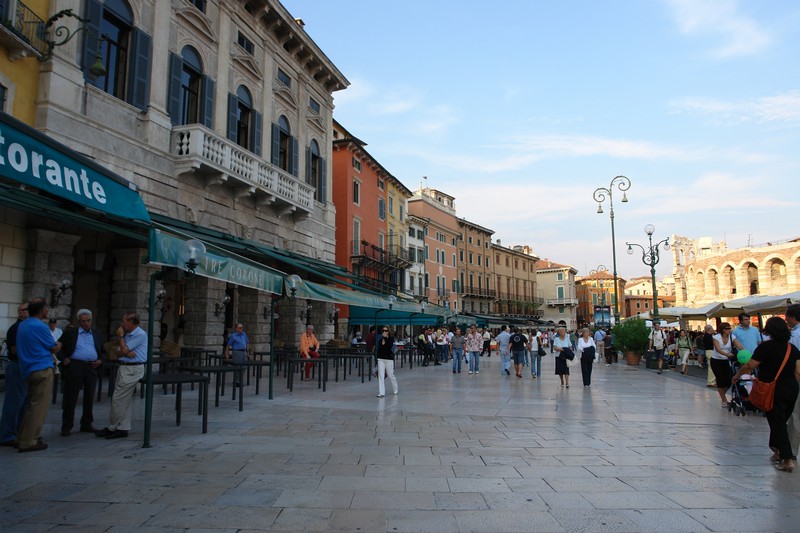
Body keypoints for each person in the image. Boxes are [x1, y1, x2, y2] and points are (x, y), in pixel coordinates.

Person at [733, 317, 800, 473]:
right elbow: (798, 371)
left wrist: (737, 375)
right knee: (780, 420)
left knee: (777, 423)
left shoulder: (766, 347)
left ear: (769, 331)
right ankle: (776, 450)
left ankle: (787, 459)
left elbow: (750, 365)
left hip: (773, 388)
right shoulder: (792, 348)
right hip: (791, 388)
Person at [16, 297, 60, 452]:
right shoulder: (40, 326)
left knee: (31, 405)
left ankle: (22, 437)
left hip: (28, 369)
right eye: (46, 308)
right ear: (42, 310)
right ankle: (29, 441)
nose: (47, 311)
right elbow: (53, 346)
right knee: (39, 407)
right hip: (42, 368)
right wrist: (59, 345)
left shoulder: (23, 324)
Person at [95, 312, 147, 440]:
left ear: (131, 322)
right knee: (124, 399)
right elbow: (117, 352)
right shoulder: (129, 334)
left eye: (124, 321)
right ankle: (123, 427)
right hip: (124, 367)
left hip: (132, 368)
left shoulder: (139, 334)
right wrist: (125, 351)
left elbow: (122, 349)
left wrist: (121, 339)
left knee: (118, 398)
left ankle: (113, 427)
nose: (122, 324)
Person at [58, 309, 104, 436]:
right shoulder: (70, 333)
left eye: (88, 321)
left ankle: (87, 423)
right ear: (79, 322)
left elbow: (102, 350)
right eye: (83, 321)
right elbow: (57, 347)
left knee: (89, 396)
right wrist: (64, 359)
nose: (86, 323)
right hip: (75, 365)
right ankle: (67, 425)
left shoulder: (96, 333)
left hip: (91, 366)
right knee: (71, 396)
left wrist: (101, 360)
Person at [0, 302, 28, 447]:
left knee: (23, 403)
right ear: (20, 312)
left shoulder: (26, 327)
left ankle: (18, 432)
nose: (27, 312)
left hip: (25, 367)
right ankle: (7, 435)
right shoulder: (17, 328)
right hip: (18, 366)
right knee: (14, 403)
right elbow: (15, 350)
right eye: (25, 309)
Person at [710, 322, 744, 408]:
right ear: (722, 330)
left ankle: (722, 393)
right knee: (720, 379)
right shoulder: (716, 337)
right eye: (727, 329)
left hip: (726, 361)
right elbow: (718, 349)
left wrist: (745, 353)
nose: (729, 330)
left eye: (729, 328)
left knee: (729, 379)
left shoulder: (732, 337)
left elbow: (740, 346)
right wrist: (726, 354)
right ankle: (724, 400)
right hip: (716, 360)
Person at [784, 304, 800, 458]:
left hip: (798, 377)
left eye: (786, 317)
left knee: (796, 414)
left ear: (793, 317)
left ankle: (792, 450)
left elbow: (795, 361)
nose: (786, 320)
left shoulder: (795, 336)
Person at [375, 326, 398, 398]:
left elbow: (389, 346)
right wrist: (377, 358)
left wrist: (385, 338)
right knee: (381, 375)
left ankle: (395, 388)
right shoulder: (379, 340)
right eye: (383, 330)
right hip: (381, 359)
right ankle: (381, 392)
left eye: (386, 330)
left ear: (388, 331)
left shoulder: (391, 339)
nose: (384, 332)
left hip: (389, 359)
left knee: (390, 375)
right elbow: (378, 349)